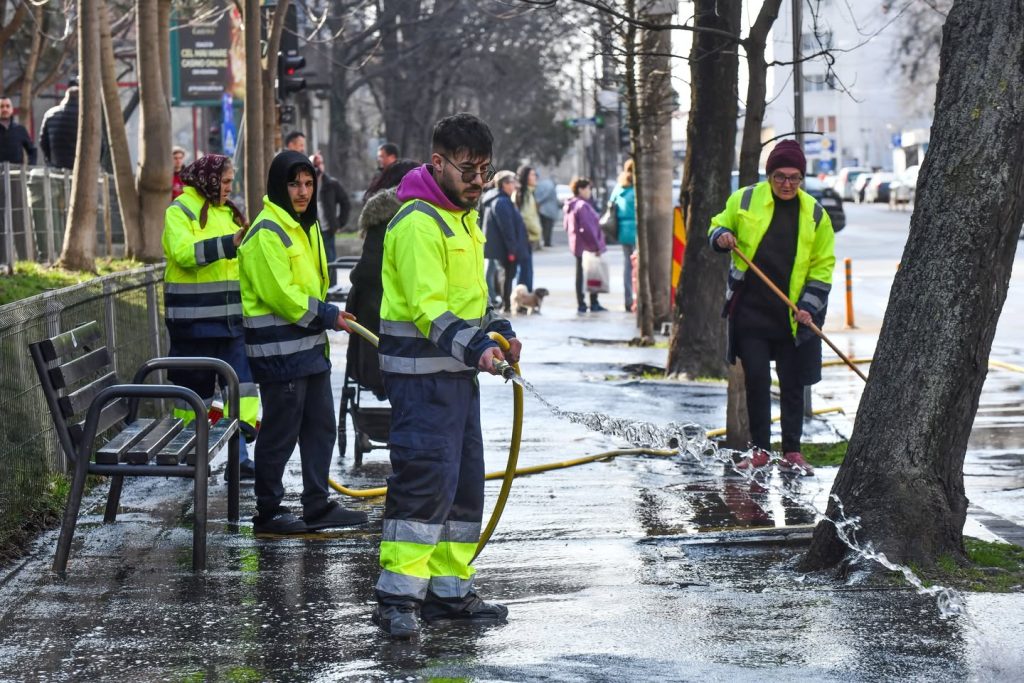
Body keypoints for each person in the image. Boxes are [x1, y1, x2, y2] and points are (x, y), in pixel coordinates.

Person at [373, 113, 520, 638]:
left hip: (455, 378)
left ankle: (449, 592)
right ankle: (397, 598)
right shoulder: (417, 222)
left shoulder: (461, 217)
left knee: (462, 486)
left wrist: (497, 327)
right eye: (467, 168)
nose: (478, 179)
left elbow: (469, 300)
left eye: (485, 168)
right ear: (438, 163)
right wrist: (478, 347)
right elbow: (427, 308)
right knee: (422, 486)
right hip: (421, 381)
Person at [238, 150, 368, 534]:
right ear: (279, 185)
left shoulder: (303, 225)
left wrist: (327, 316)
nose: (303, 191)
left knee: (320, 427)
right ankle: (268, 510)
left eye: (309, 183)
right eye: (295, 183)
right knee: (280, 431)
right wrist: (328, 315)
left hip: (308, 349)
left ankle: (316, 504)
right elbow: (283, 294)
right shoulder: (267, 232)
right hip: (279, 353)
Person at [708, 139, 835, 476]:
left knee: (793, 383)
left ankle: (792, 451)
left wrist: (808, 306)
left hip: (792, 315)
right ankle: (760, 450)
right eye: (780, 177)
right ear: (769, 175)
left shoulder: (816, 214)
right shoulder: (745, 199)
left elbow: (823, 267)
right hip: (750, 311)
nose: (787, 184)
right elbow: (717, 224)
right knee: (758, 381)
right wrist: (721, 235)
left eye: (795, 178)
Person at [162, 154, 258, 480]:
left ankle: (239, 458)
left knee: (239, 390)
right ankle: (190, 456)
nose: (231, 188)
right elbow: (184, 253)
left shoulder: (229, 213)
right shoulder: (180, 211)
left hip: (231, 324)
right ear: (210, 180)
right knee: (196, 398)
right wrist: (228, 243)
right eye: (227, 181)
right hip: (194, 326)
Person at [345, 159, 420, 399]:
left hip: (378, 315)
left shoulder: (383, 217)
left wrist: (354, 276)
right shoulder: (421, 215)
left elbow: (368, 270)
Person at [482, 170, 528, 313]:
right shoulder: (501, 201)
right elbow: (507, 228)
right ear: (504, 184)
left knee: (505, 275)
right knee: (506, 276)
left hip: (502, 247)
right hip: (504, 248)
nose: (515, 185)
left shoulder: (499, 199)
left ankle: (505, 302)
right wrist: (512, 250)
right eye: (512, 182)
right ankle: (506, 304)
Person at [564, 177, 608, 314]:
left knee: (580, 275)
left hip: (577, 245)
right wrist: (596, 246)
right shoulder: (583, 206)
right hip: (587, 246)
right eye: (588, 188)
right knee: (591, 274)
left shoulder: (570, 205)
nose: (590, 191)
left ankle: (581, 303)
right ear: (581, 189)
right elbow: (588, 228)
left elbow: (566, 226)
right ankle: (593, 302)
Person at [311, 151, 351, 286]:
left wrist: (339, 223)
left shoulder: (331, 183)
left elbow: (345, 202)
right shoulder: (306, 184)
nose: (317, 167)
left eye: (319, 164)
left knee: (330, 260)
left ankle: (331, 287)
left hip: (328, 229)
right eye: (314, 164)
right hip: (312, 229)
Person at [608, 159, 637, 312]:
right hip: (637, 230)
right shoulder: (637, 187)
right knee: (639, 265)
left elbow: (611, 205)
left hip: (623, 231)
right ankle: (639, 300)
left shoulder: (619, 187)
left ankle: (628, 299)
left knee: (627, 265)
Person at [513, 165, 540, 295]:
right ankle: (522, 298)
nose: (535, 178)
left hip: (528, 236)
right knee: (525, 269)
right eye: (532, 175)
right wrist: (536, 231)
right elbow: (526, 217)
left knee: (527, 269)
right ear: (525, 177)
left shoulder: (529, 192)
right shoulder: (522, 194)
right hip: (524, 236)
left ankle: (525, 295)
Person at [40, 81, 79, 169]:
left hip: (57, 166)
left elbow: (43, 142)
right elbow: (101, 144)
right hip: (82, 168)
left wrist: (50, 161)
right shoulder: (87, 116)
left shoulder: (50, 114)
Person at [0, 98, 37, 165]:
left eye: (7, 106)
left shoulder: (20, 129)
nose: (5, 109)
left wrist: (30, 168)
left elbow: (32, 151)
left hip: (16, 173)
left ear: (11, 110)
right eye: (1, 106)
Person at [533, 175, 561, 248]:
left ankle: (545, 241)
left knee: (544, 227)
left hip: (542, 210)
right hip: (549, 211)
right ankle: (547, 242)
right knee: (548, 227)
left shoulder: (543, 185)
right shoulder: (550, 186)